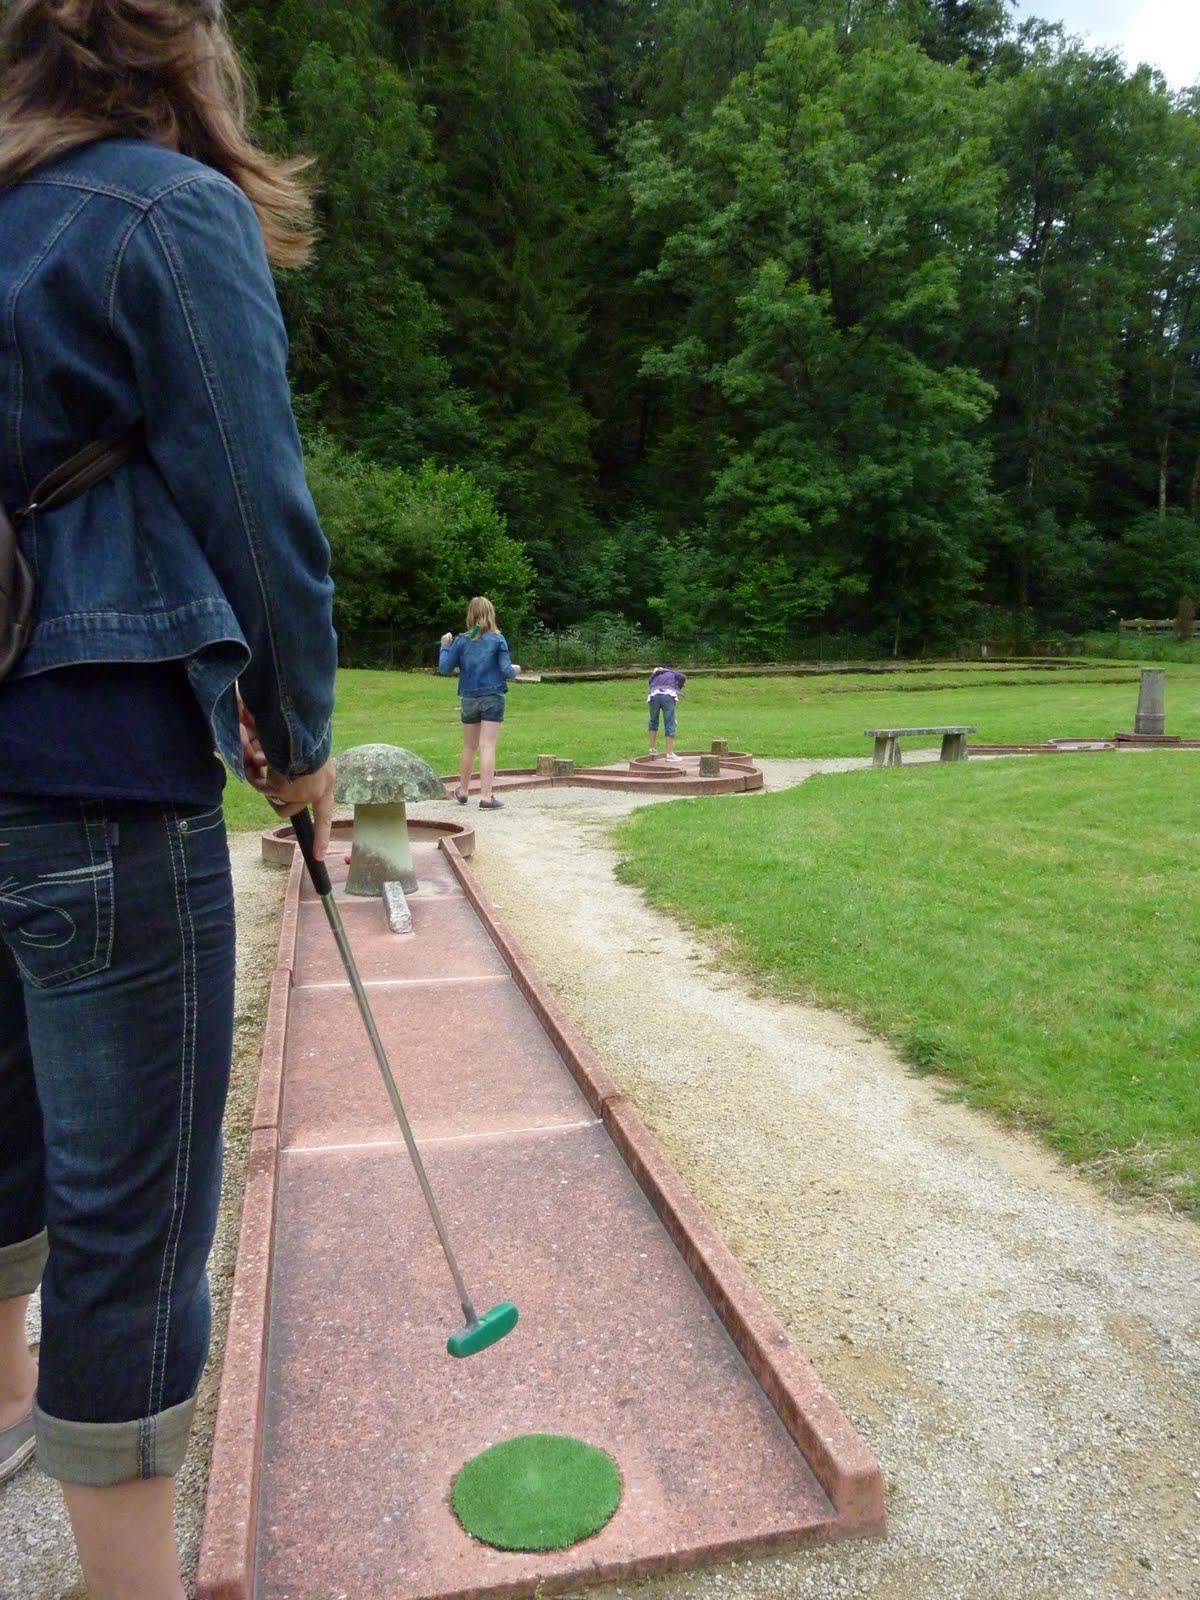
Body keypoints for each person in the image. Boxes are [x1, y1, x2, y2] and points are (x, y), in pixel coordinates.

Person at [0, 4, 338, 1597]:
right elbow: (256, 510)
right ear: (186, 48)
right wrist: (302, 737)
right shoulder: (163, 209)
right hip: (97, 762)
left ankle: (6, 1406)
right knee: (131, 1219)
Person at [438, 597, 520, 809]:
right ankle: (486, 797)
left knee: (469, 746)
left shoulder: (461, 641)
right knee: (487, 746)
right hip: (493, 696)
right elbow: (506, 671)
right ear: (490, 614)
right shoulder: (497, 639)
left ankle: (463, 791)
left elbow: (444, 668)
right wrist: (516, 669)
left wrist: (444, 647)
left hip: (468, 697)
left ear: (470, 615)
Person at [646, 665, 687, 760]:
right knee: (670, 722)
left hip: (653, 696)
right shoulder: (670, 673)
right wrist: (678, 688)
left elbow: (650, 686)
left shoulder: (653, 676)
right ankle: (669, 754)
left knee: (653, 721)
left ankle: (652, 749)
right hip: (667, 696)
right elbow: (683, 677)